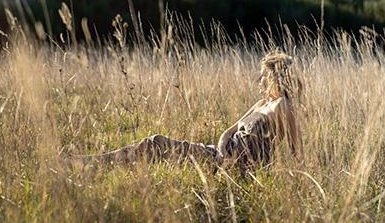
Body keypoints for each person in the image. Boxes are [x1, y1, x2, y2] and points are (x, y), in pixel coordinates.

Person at [77, 50, 303, 174]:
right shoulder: (261, 103)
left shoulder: (282, 106)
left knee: (156, 144)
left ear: (275, 76)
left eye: (263, 75)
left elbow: (297, 152)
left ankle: (96, 163)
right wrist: (222, 149)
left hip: (238, 169)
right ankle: (98, 162)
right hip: (218, 155)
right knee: (154, 144)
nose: (259, 80)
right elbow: (229, 130)